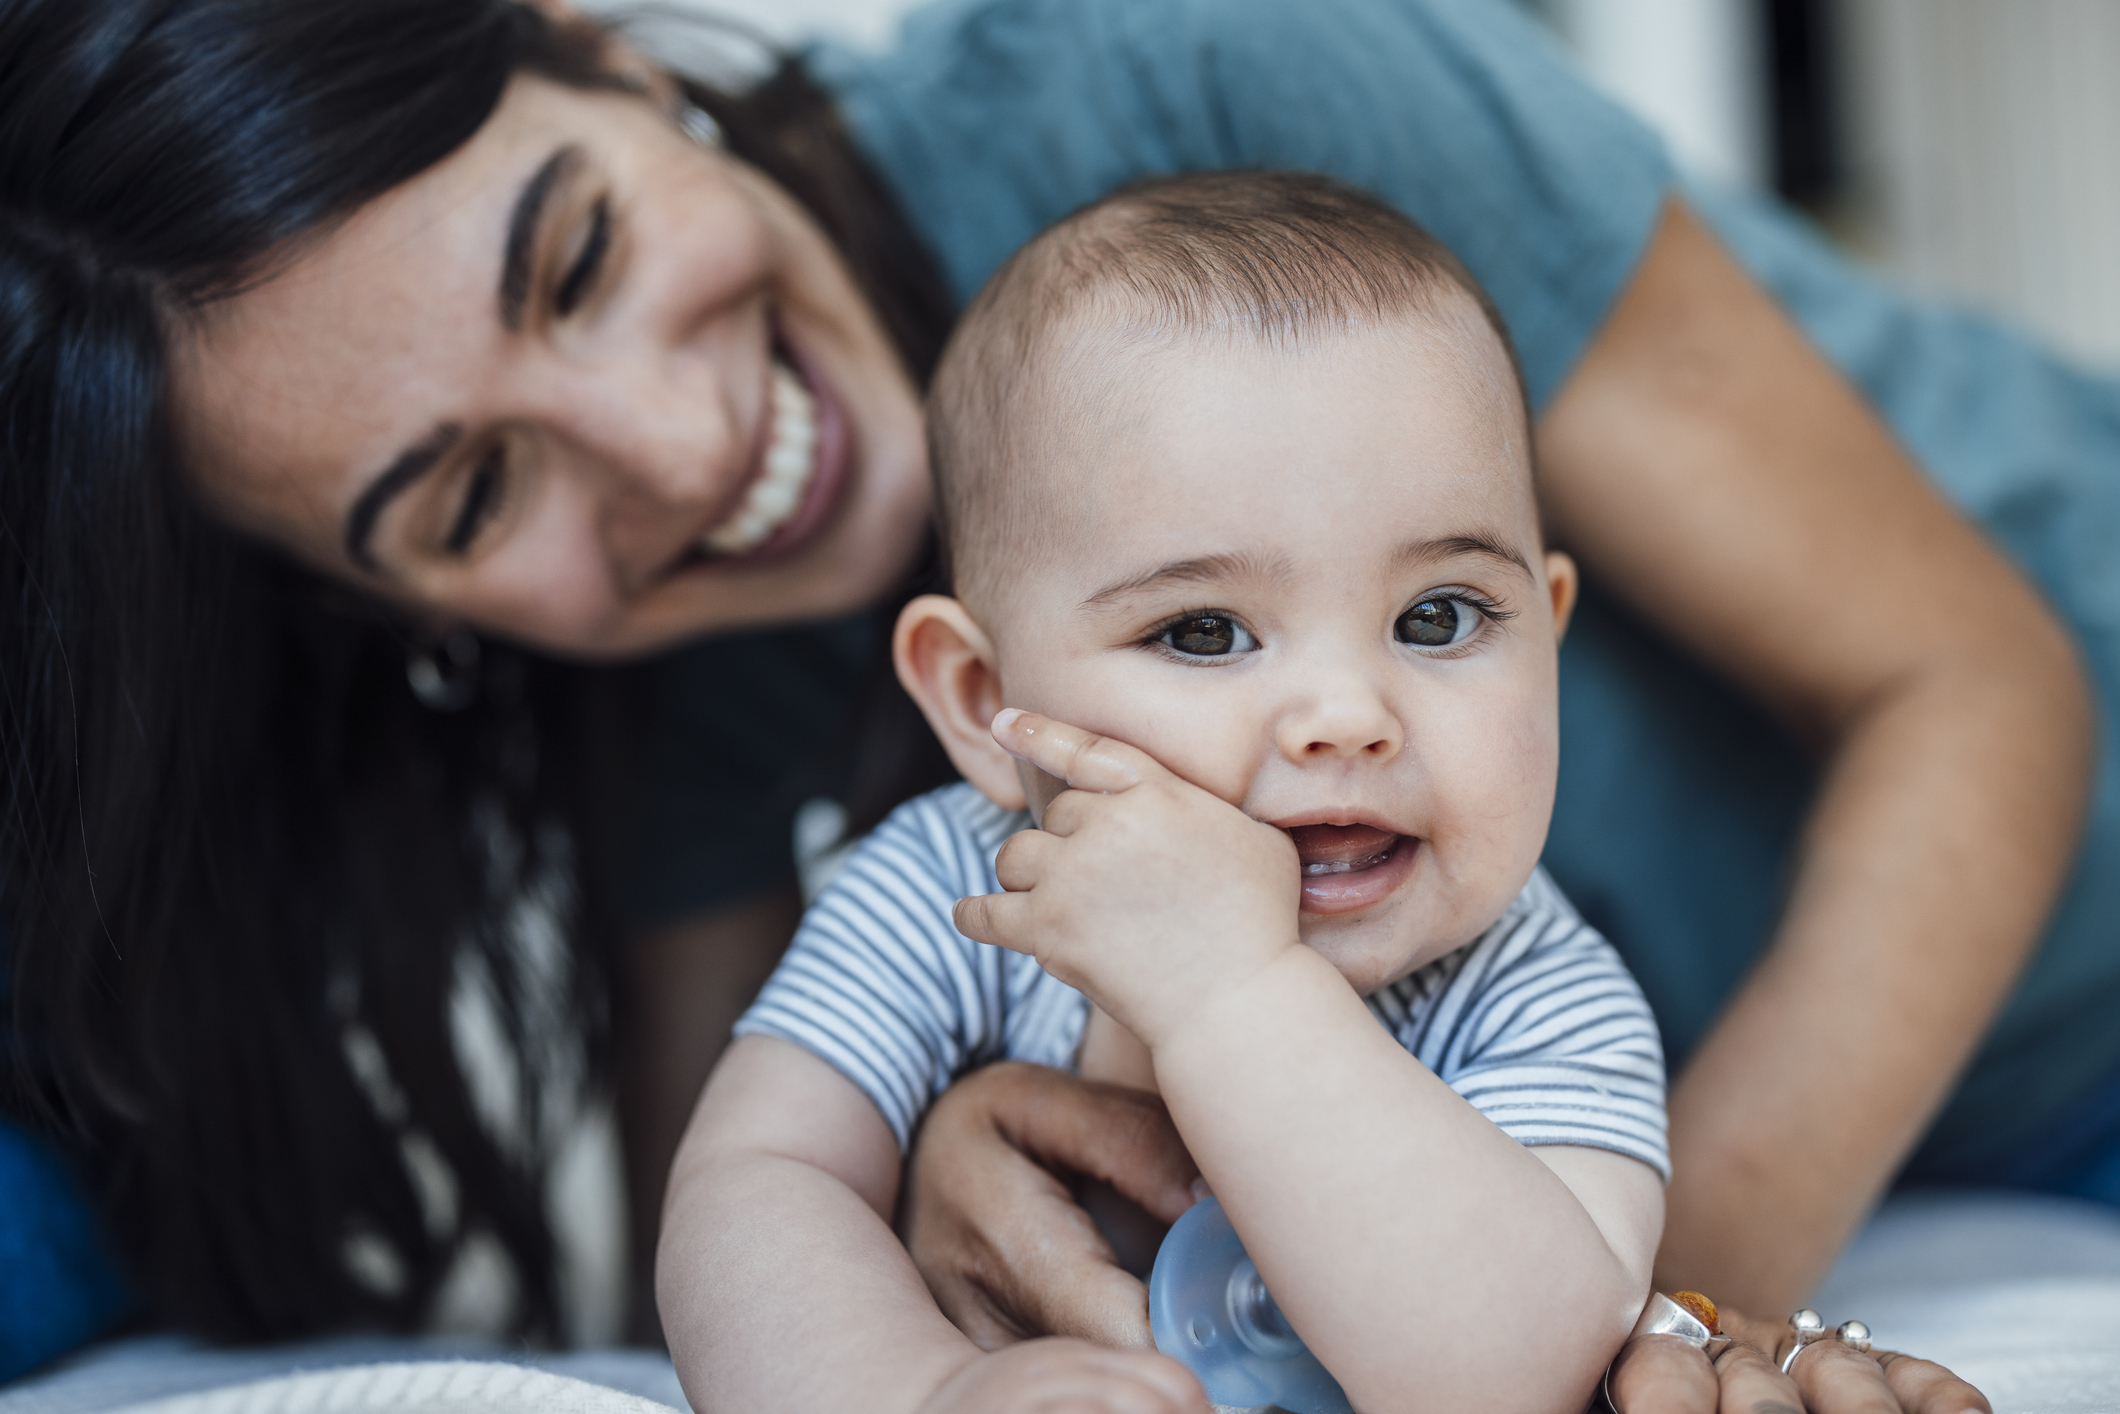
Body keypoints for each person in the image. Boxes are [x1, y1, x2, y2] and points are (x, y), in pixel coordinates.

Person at [0, 0, 2099, 1408]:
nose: (672, 440)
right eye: (469, 490)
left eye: (572, 258)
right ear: (968, 688)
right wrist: (920, 1308)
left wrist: (1660, 1329)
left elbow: (1975, 681)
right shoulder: (723, 720)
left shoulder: (1199, 72)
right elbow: (731, 1220)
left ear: (605, 57)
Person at [662, 171, 1669, 1414]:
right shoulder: (949, 891)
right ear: (982, 700)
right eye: (1201, 632)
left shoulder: (1525, 991)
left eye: (1438, 616)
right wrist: (920, 1392)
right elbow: (757, 1179)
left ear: (1548, 638)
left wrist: (1229, 988)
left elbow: (1517, 1371)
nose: (1346, 717)